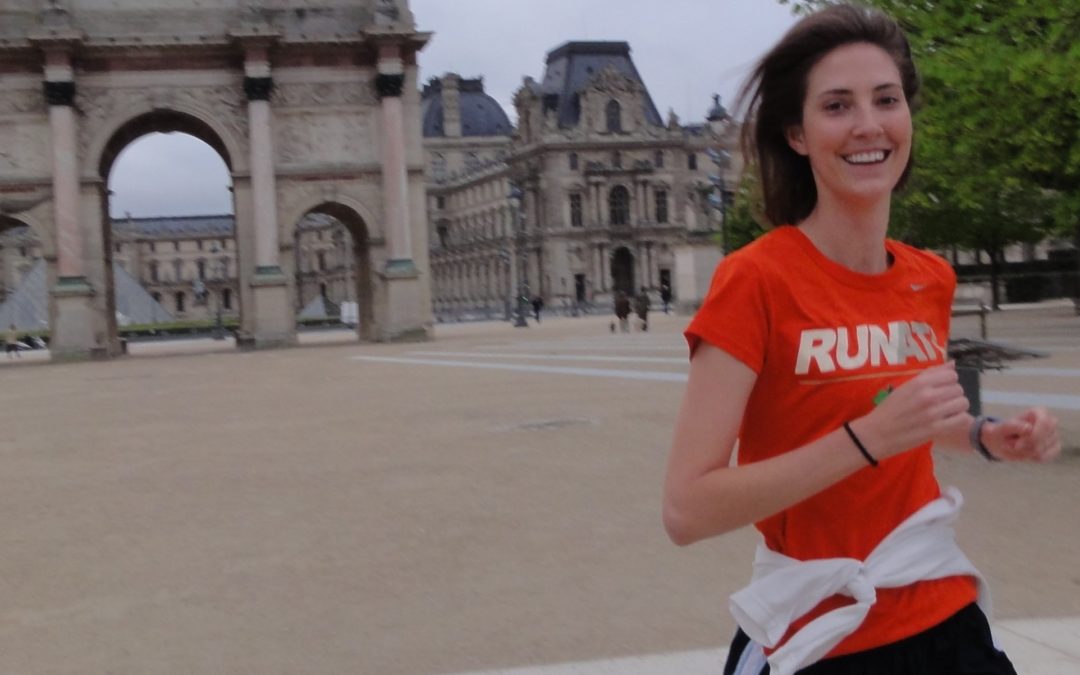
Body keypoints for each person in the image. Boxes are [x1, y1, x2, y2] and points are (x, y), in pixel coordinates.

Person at [662, 5, 1061, 675]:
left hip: (941, 608)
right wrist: (868, 439)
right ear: (797, 132)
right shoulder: (755, 280)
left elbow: (908, 417)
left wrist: (985, 436)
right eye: (838, 105)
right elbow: (686, 508)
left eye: (886, 99)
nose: (868, 125)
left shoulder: (926, 277)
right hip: (823, 630)